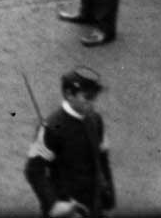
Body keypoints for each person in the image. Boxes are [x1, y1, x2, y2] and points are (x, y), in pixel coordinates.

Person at [24, 67, 114, 218]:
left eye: (94, 96)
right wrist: (53, 204)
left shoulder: (95, 120)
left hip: (94, 206)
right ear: (69, 94)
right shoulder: (52, 128)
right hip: (68, 209)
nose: (92, 102)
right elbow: (34, 170)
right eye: (87, 97)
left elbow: (102, 159)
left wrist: (108, 199)